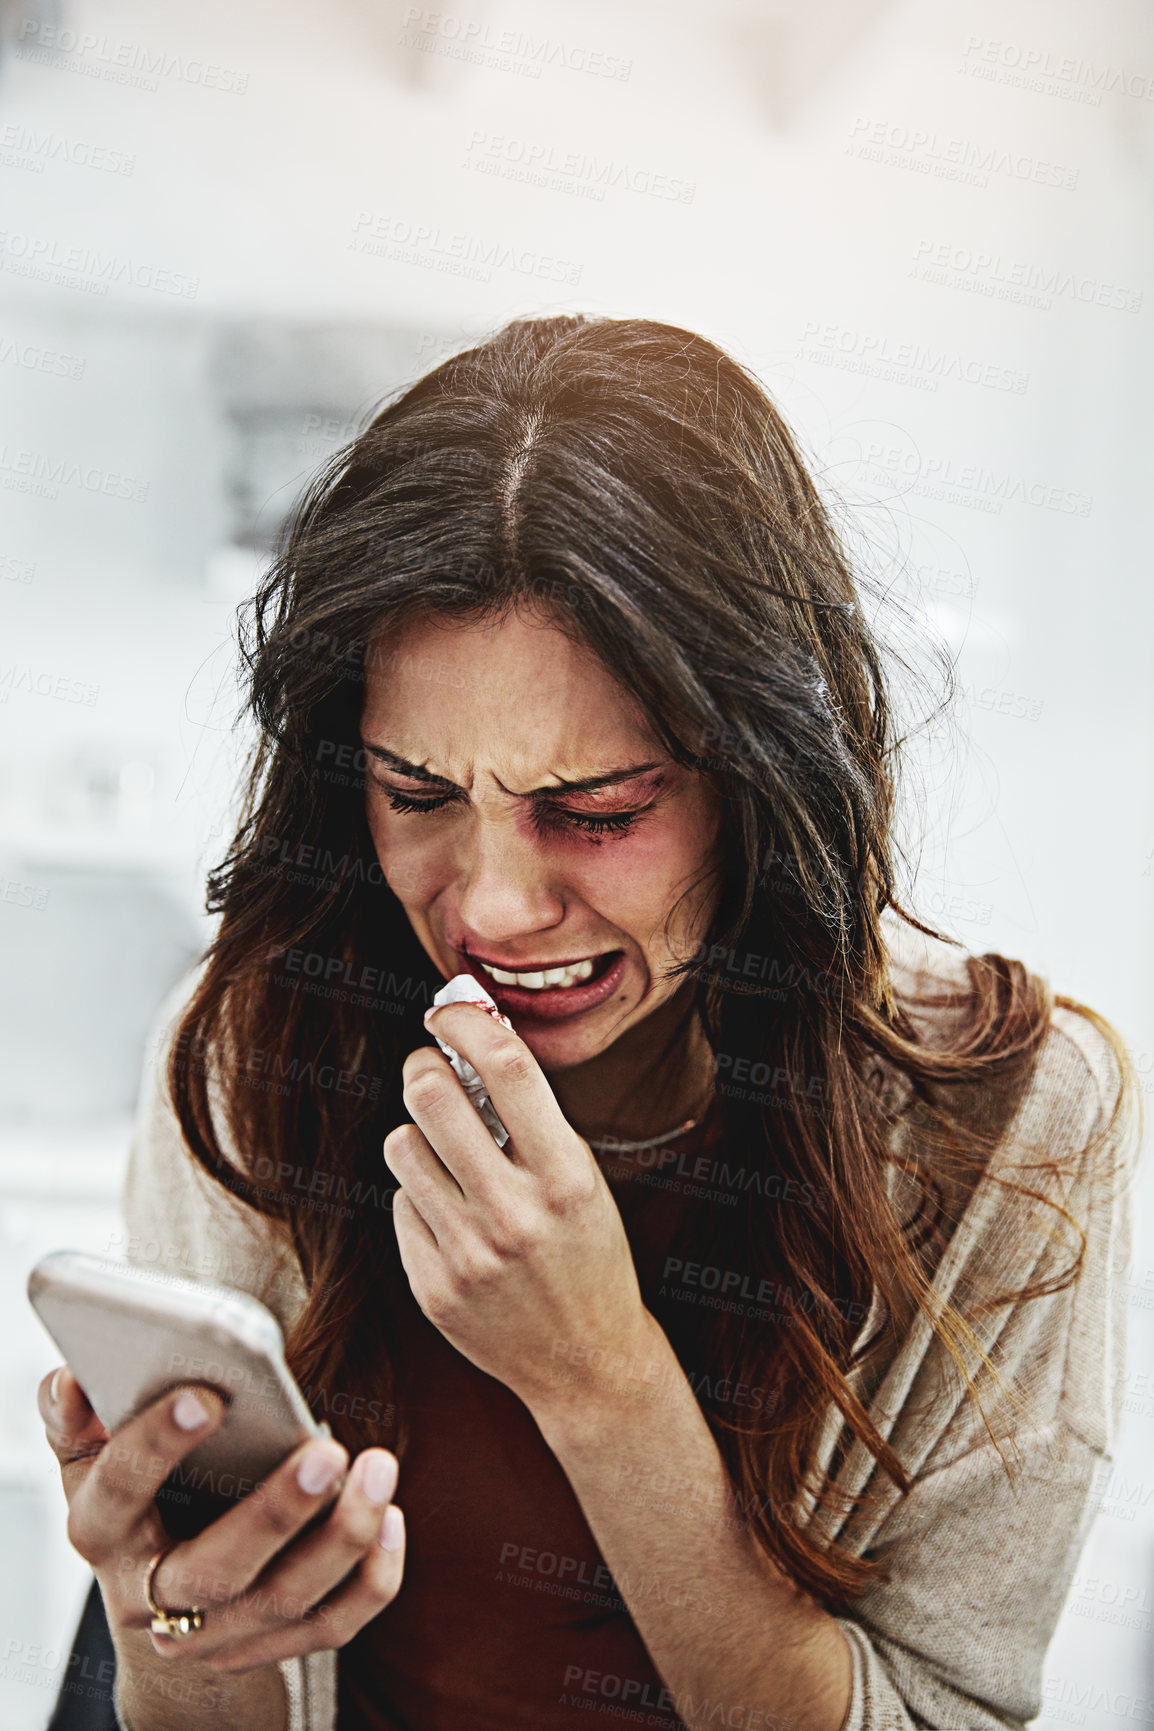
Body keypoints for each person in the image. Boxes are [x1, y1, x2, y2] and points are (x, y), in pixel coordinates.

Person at [39, 315, 1138, 1731]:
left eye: (598, 812)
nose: (488, 909)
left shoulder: (1012, 1121)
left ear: (765, 785)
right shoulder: (256, 1041)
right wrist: (174, 1633)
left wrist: (600, 1377)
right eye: (416, 795)